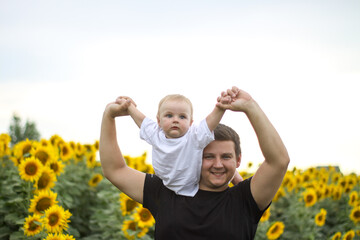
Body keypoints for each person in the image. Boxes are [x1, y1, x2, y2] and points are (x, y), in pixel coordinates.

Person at [99, 86, 290, 240]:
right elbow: (114, 169)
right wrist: (109, 115)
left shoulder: (245, 199)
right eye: (208, 157)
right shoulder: (166, 192)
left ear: (238, 159)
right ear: (195, 158)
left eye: (226, 156)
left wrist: (250, 106)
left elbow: (279, 161)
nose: (217, 164)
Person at [121, 92, 228, 196]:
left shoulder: (193, 137)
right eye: (169, 115)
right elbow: (142, 121)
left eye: (182, 117)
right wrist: (129, 105)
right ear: (159, 121)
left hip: (193, 189)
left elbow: (208, 124)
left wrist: (220, 108)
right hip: (164, 186)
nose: (175, 120)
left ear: (190, 123)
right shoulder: (156, 134)